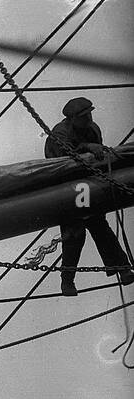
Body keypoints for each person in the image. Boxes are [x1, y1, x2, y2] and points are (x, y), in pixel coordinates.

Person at [43, 97, 133, 295]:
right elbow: (63, 163)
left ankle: (123, 269)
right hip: (67, 187)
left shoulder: (93, 129)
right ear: (72, 118)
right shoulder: (60, 133)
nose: (89, 118)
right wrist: (86, 147)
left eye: (89, 114)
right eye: (84, 116)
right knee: (75, 234)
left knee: (100, 228)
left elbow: (97, 157)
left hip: (87, 185)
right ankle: (67, 282)